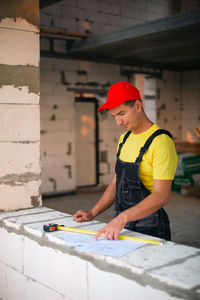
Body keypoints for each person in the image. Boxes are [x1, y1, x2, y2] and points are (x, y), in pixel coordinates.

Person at [73, 82, 177, 241]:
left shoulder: (161, 142)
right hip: (123, 225)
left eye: (122, 113)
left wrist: (122, 218)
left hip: (151, 226)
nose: (118, 122)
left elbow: (162, 195)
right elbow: (116, 182)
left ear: (137, 105)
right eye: (114, 116)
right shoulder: (124, 138)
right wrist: (93, 213)